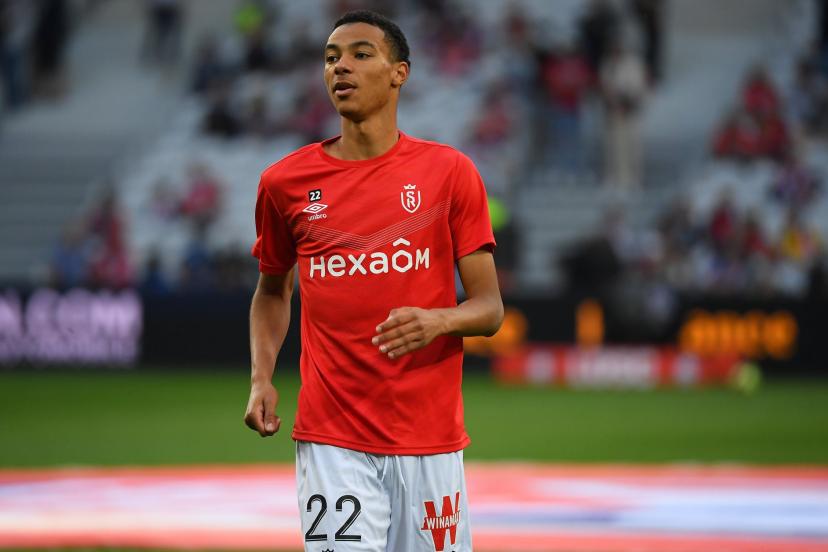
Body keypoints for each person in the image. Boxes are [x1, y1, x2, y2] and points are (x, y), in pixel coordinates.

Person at [243, 10, 503, 552]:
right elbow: (272, 291)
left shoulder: (450, 173)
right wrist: (261, 378)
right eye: (330, 58)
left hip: (430, 437)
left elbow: (490, 309)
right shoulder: (284, 183)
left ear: (399, 72)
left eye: (361, 54)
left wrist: (439, 321)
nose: (341, 66)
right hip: (331, 436)